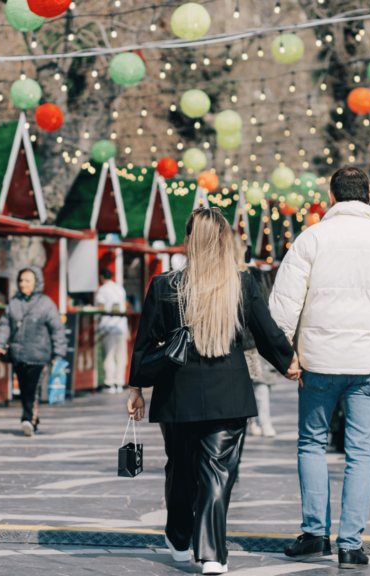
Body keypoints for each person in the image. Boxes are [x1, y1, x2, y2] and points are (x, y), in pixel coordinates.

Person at [126, 208, 297, 575]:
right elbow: (266, 333)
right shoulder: (242, 283)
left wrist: (136, 387)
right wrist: (289, 364)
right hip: (229, 393)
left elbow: (145, 343)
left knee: (180, 470)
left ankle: (178, 537)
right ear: (224, 242)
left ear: (189, 240)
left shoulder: (164, 285)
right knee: (216, 473)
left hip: (176, 394)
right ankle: (212, 555)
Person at [269, 166, 370, 569]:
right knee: (361, 453)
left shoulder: (311, 238)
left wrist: (286, 355)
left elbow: (283, 306)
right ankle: (351, 545)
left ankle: (314, 534)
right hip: (369, 364)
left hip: (318, 362)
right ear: (368, 196)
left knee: (311, 444)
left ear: (331, 197)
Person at [0, 266, 67, 437]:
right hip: (18, 355)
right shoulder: (14, 303)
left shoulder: (46, 303)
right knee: (24, 389)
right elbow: (5, 324)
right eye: (21, 280)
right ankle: (32, 419)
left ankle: (28, 419)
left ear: (37, 282)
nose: (23, 284)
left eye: (27, 280)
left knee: (33, 390)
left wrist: (58, 354)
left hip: (39, 356)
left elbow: (57, 329)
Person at [235, 233, 277, 437]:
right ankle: (258, 422)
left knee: (257, 383)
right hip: (248, 340)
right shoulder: (249, 275)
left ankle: (261, 422)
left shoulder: (253, 275)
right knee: (255, 384)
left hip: (250, 341)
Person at [95, 268, 129, 394]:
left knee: (109, 356)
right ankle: (119, 382)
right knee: (120, 356)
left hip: (108, 326)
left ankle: (109, 383)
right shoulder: (120, 288)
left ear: (101, 276)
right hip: (121, 325)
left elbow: (100, 308)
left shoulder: (102, 290)